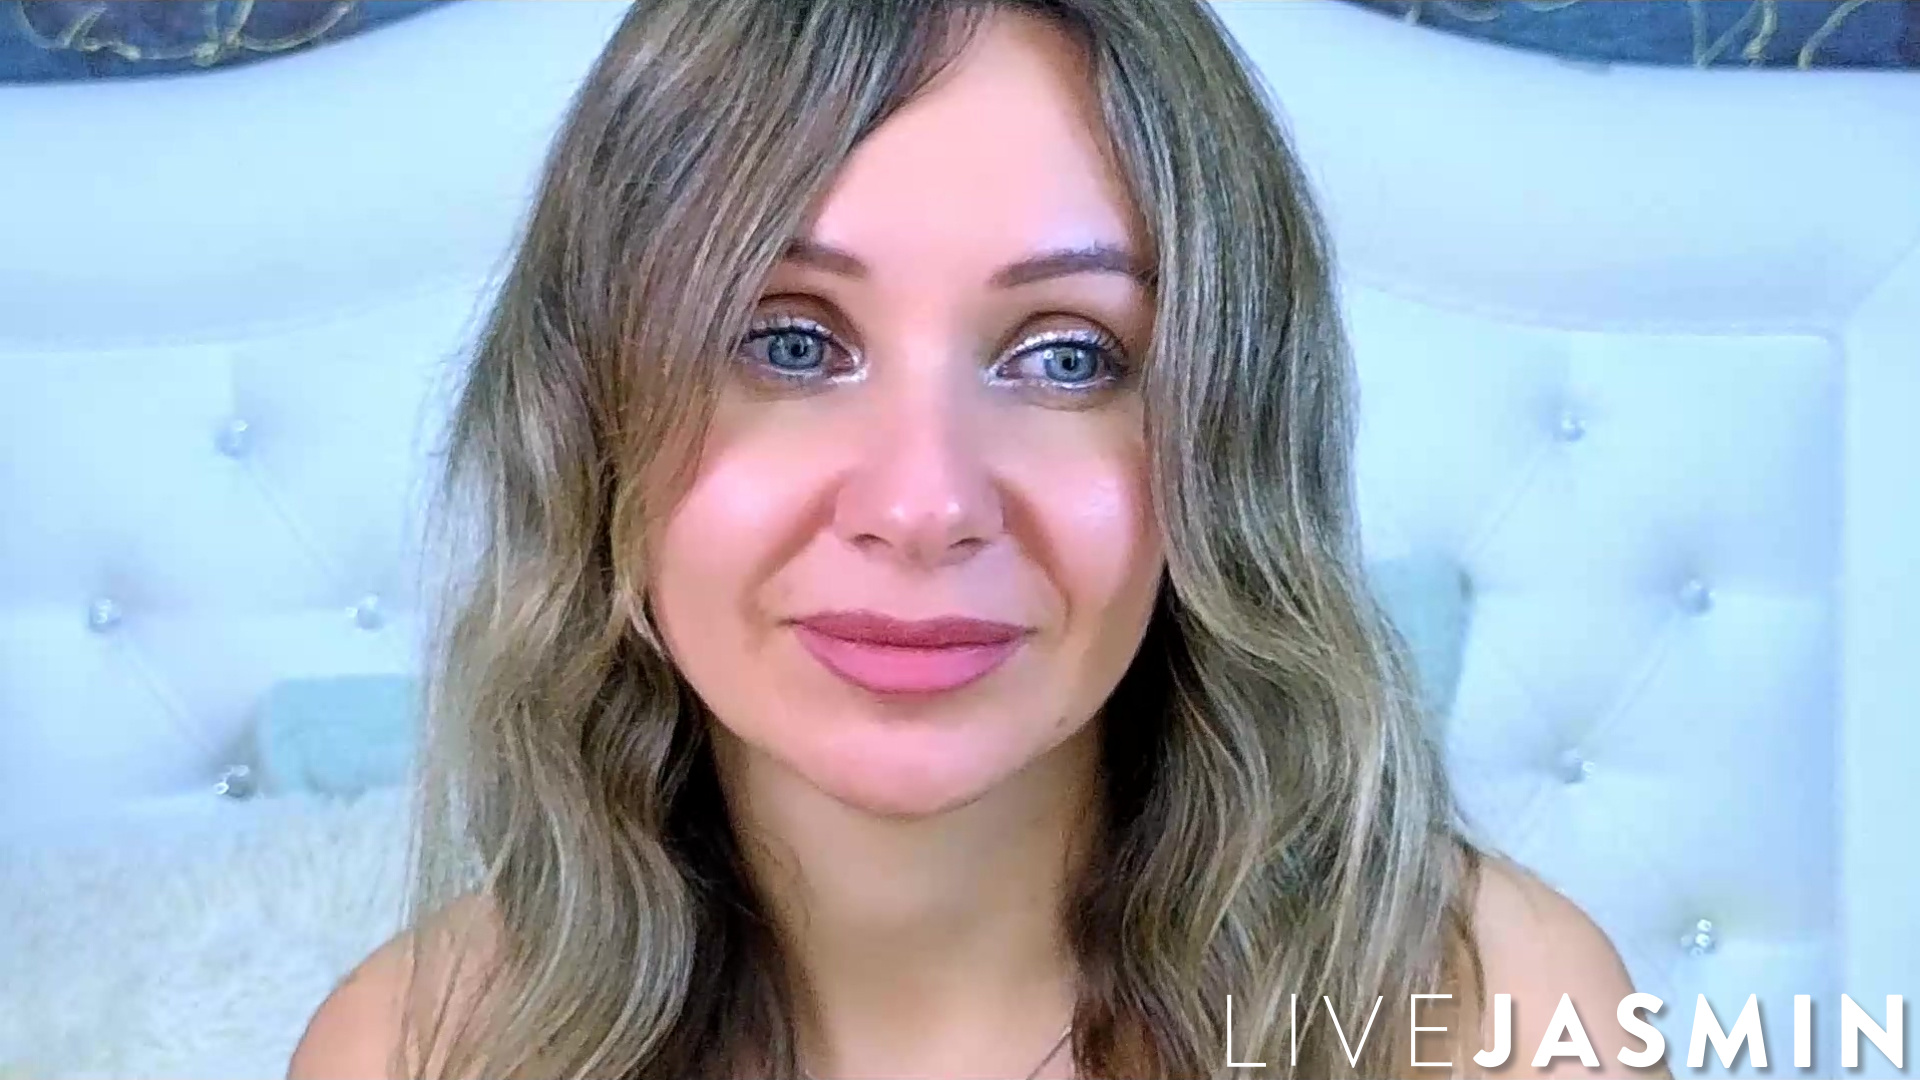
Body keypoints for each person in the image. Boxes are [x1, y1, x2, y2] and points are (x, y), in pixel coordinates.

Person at [288, 1, 1664, 1077]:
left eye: (1067, 357)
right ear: (586, 419)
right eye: (787, 341)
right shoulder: (410, 1050)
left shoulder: (1501, 1012)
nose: (925, 503)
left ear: (1223, 445)